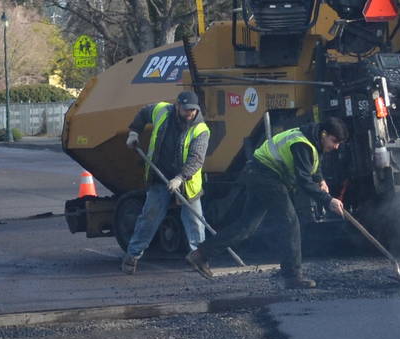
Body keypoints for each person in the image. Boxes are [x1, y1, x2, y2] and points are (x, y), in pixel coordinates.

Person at [218, 118, 347, 287]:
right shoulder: (302, 143)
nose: (336, 146)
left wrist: (320, 179)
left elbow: (312, 165)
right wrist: (328, 201)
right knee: (290, 222)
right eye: (334, 141)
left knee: (246, 226)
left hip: (260, 173)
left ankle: (200, 254)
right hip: (266, 176)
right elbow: (303, 180)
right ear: (324, 134)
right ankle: (292, 276)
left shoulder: (312, 140)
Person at [121, 90, 214, 278]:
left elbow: (196, 159)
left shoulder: (201, 129)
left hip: (187, 182)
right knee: (149, 217)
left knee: (196, 222)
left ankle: (200, 260)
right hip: (159, 175)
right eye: (186, 109)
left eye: (193, 110)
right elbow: (143, 113)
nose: (190, 113)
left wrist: (180, 177)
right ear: (177, 106)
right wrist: (134, 132)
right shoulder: (162, 111)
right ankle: (132, 256)